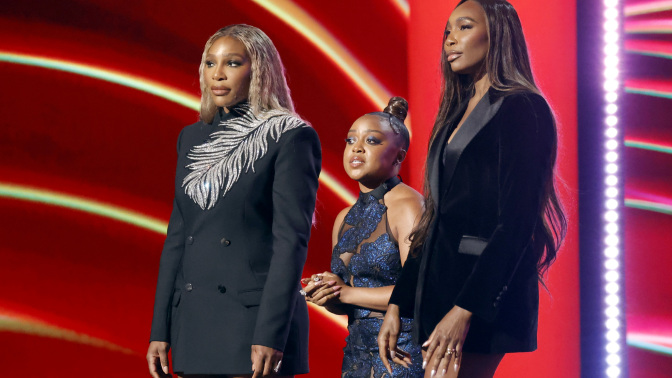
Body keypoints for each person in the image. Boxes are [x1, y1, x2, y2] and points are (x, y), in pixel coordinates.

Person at [377, 1, 567, 377]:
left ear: (496, 34)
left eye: (463, 27)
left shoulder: (524, 109)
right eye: (447, 31)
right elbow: (435, 218)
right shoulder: (454, 112)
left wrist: (465, 310)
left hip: (480, 296)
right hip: (438, 289)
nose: (449, 39)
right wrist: (399, 303)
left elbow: (517, 221)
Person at [146, 24, 321, 378]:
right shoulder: (191, 137)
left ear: (259, 68)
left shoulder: (288, 135)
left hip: (251, 322)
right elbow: (178, 238)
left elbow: (291, 242)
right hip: (193, 323)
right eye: (210, 63)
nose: (218, 75)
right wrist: (160, 330)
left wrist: (271, 333)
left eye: (233, 63)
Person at [301, 97, 425, 377]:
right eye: (350, 140)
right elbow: (346, 303)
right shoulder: (343, 218)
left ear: (400, 156)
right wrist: (328, 292)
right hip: (356, 355)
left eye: (372, 141)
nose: (356, 148)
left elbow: (420, 289)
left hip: (401, 354)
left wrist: (347, 292)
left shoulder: (408, 205)